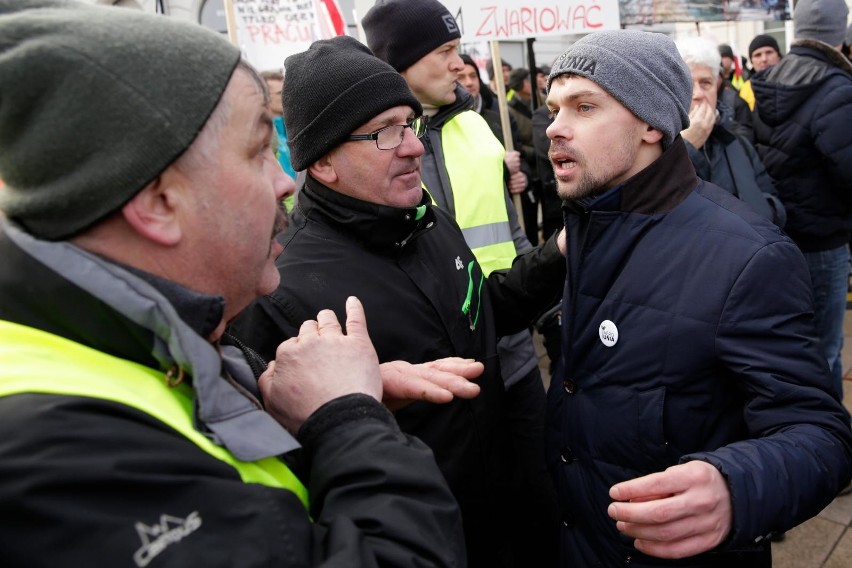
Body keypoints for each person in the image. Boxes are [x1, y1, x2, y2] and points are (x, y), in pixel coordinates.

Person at [0, 1, 475, 565]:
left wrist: (282, 411)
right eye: (256, 152)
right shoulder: (59, 455)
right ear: (158, 202)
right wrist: (347, 417)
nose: (283, 181)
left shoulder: (162, 342)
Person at [232, 36, 566, 568]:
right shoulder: (283, 291)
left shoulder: (429, 223)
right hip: (415, 544)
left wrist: (558, 255)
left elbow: (485, 317)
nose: (412, 145)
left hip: (502, 517)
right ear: (322, 163)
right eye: (385, 132)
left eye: (408, 124)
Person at [543, 29, 852, 567]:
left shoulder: (750, 257)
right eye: (553, 108)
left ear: (649, 124)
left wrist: (735, 489)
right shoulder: (585, 229)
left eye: (584, 106)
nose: (554, 128)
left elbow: (821, 434)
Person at [362, 0, 560, 564]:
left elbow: (514, 239)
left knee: (541, 506)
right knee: (469, 523)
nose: (459, 63)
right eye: (445, 51)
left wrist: (549, 318)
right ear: (400, 61)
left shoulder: (477, 126)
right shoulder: (373, 145)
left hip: (514, 358)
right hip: (437, 375)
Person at [751, 0, 852, 402]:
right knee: (825, 351)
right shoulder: (836, 87)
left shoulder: (771, 79)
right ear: (839, 32)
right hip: (824, 241)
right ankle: (828, 443)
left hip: (777, 234)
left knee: (791, 348)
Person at [676, 36, 786, 227]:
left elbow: (769, 194)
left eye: (706, 83)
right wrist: (687, 147)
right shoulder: (655, 146)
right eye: (688, 84)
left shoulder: (736, 141)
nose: (698, 94)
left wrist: (770, 212)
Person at [738, 34, 782, 112]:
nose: (764, 59)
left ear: (778, 56)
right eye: (758, 55)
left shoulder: (792, 81)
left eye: (769, 52)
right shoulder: (746, 90)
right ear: (751, 62)